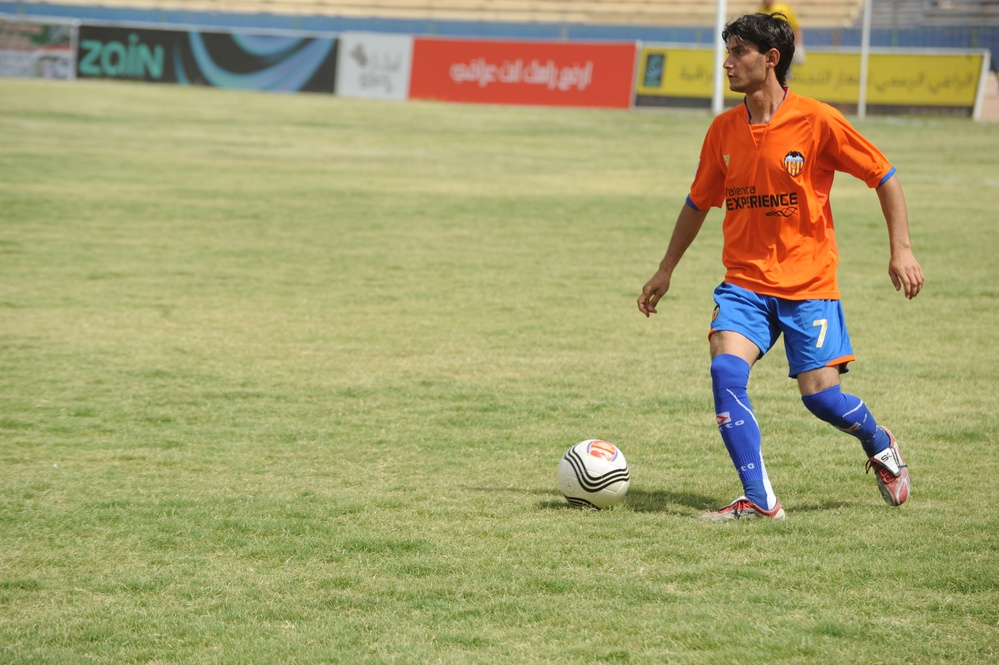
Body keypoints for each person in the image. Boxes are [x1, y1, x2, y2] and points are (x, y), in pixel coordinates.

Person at [636, 14, 924, 521]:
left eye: (740, 51)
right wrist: (666, 269)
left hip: (808, 284)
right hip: (744, 285)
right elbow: (698, 202)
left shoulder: (817, 121)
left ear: (772, 59)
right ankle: (759, 500)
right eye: (728, 50)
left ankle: (880, 444)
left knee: (821, 399)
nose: (728, 61)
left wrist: (901, 249)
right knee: (725, 368)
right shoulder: (722, 129)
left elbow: (885, 175)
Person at [758, 0, 805, 69]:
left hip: (783, 48)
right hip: (767, 50)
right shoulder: (760, 11)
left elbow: (796, 28)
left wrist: (798, 46)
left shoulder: (784, 9)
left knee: (784, 73)